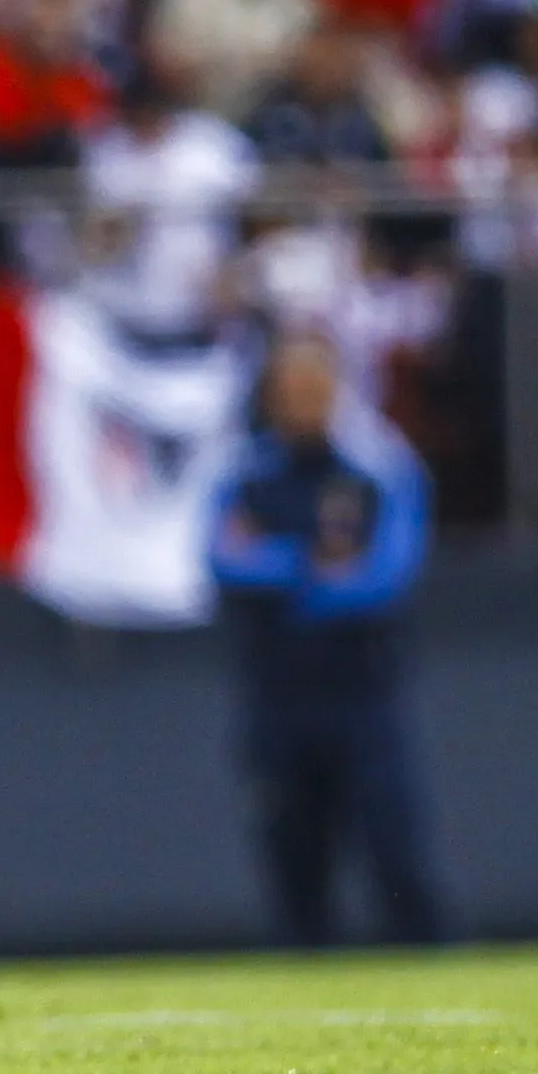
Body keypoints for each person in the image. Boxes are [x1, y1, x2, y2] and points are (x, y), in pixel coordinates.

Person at [208, 334, 445, 947]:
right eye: (289, 391)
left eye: (314, 389)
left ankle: (433, 979)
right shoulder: (245, 473)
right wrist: (312, 564)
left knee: (397, 857)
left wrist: (279, 570)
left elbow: (383, 580)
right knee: (294, 868)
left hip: (362, 697)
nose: (302, 403)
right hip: (276, 697)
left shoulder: (380, 470)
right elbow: (221, 564)